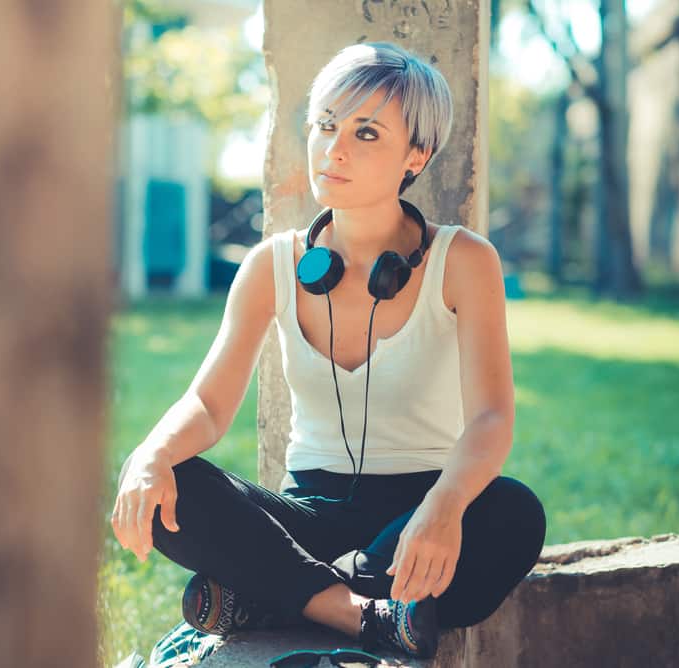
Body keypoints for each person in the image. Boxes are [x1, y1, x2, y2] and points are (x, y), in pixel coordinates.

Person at [110, 42, 546, 660]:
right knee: (171, 487)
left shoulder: (465, 261)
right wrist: (152, 453)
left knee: (513, 513)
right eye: (325, 125)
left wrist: (445, 508)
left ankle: (269, 590)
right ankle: (360, 613)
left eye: (366, 133)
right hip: (309, 509)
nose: (334, 148)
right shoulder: (273, 265)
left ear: (416, 154)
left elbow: (491, 418)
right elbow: (207, 406)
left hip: (418, 511)